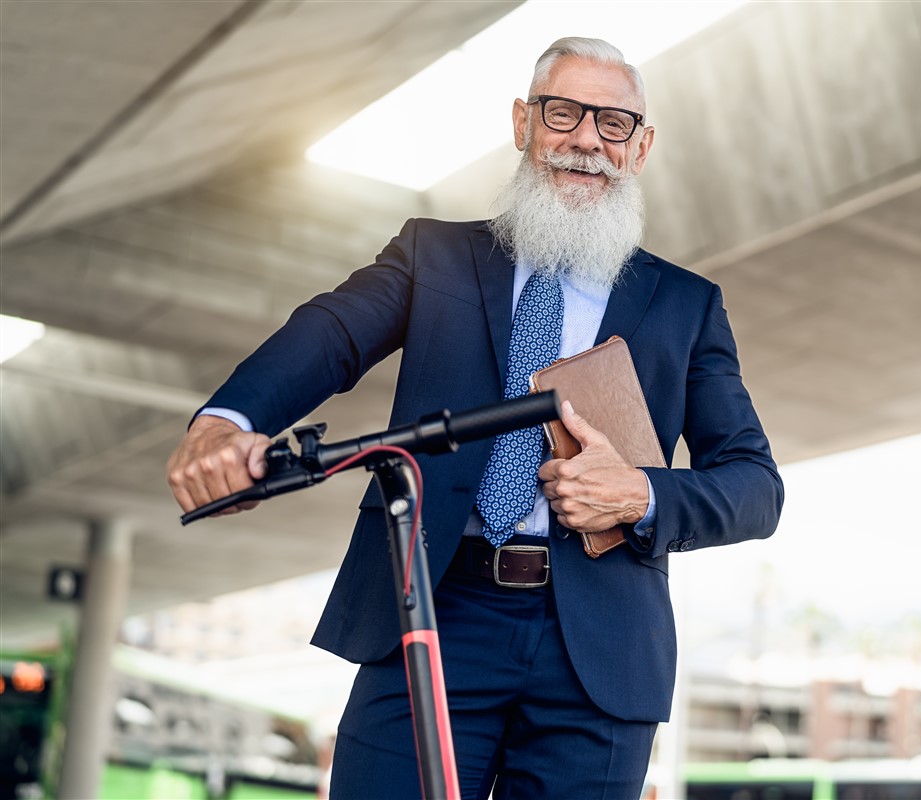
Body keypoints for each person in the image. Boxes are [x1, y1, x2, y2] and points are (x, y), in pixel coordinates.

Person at [167, 37, 783, 799]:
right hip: (431, 608)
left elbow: (756, 487)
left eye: (614, 124)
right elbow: (331, 333)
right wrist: (230, 418)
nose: (587, 140)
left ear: (642, 146)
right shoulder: (435, 256)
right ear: (524, 123)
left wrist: (641, 494)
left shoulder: (687, 305)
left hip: (600, 651)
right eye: (565, 114)